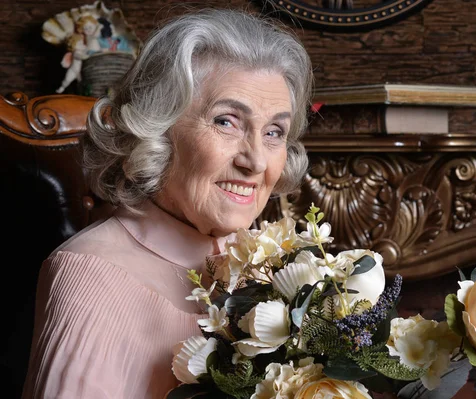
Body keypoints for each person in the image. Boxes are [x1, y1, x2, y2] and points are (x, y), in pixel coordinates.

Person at [22, 7, 313, 398]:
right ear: (157, 128)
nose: (256, 161)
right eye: (227, 121)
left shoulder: (283, 270)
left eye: (275, 131)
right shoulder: (89, 278)